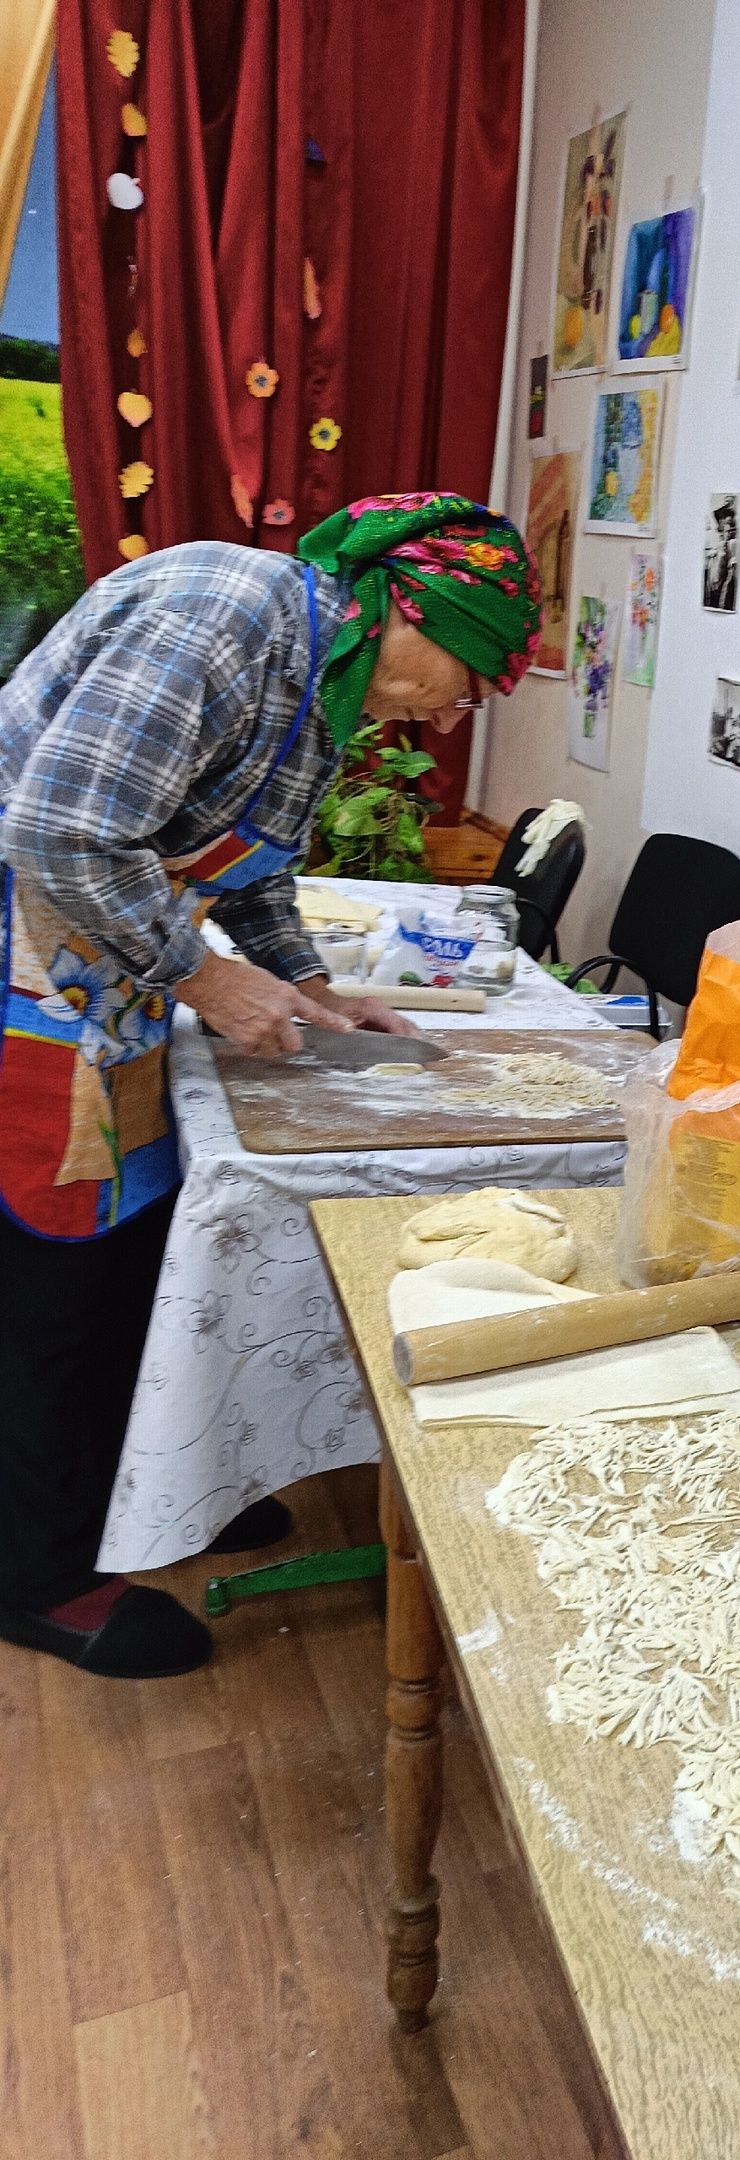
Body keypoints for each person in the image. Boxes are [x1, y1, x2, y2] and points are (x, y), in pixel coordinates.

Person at [0, 492, 540, 1678]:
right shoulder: (225, 614)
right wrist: (207, 981)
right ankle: (33, 1572)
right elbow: (62, 829)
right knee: (44, 1275)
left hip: (111, 975)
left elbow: (252, 867)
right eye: (468, 672)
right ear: (408, 608)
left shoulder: (318, 679)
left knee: (130, 1235)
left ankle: (127, 1485)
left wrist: (309, 983)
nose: (456, 712)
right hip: (26, 973)